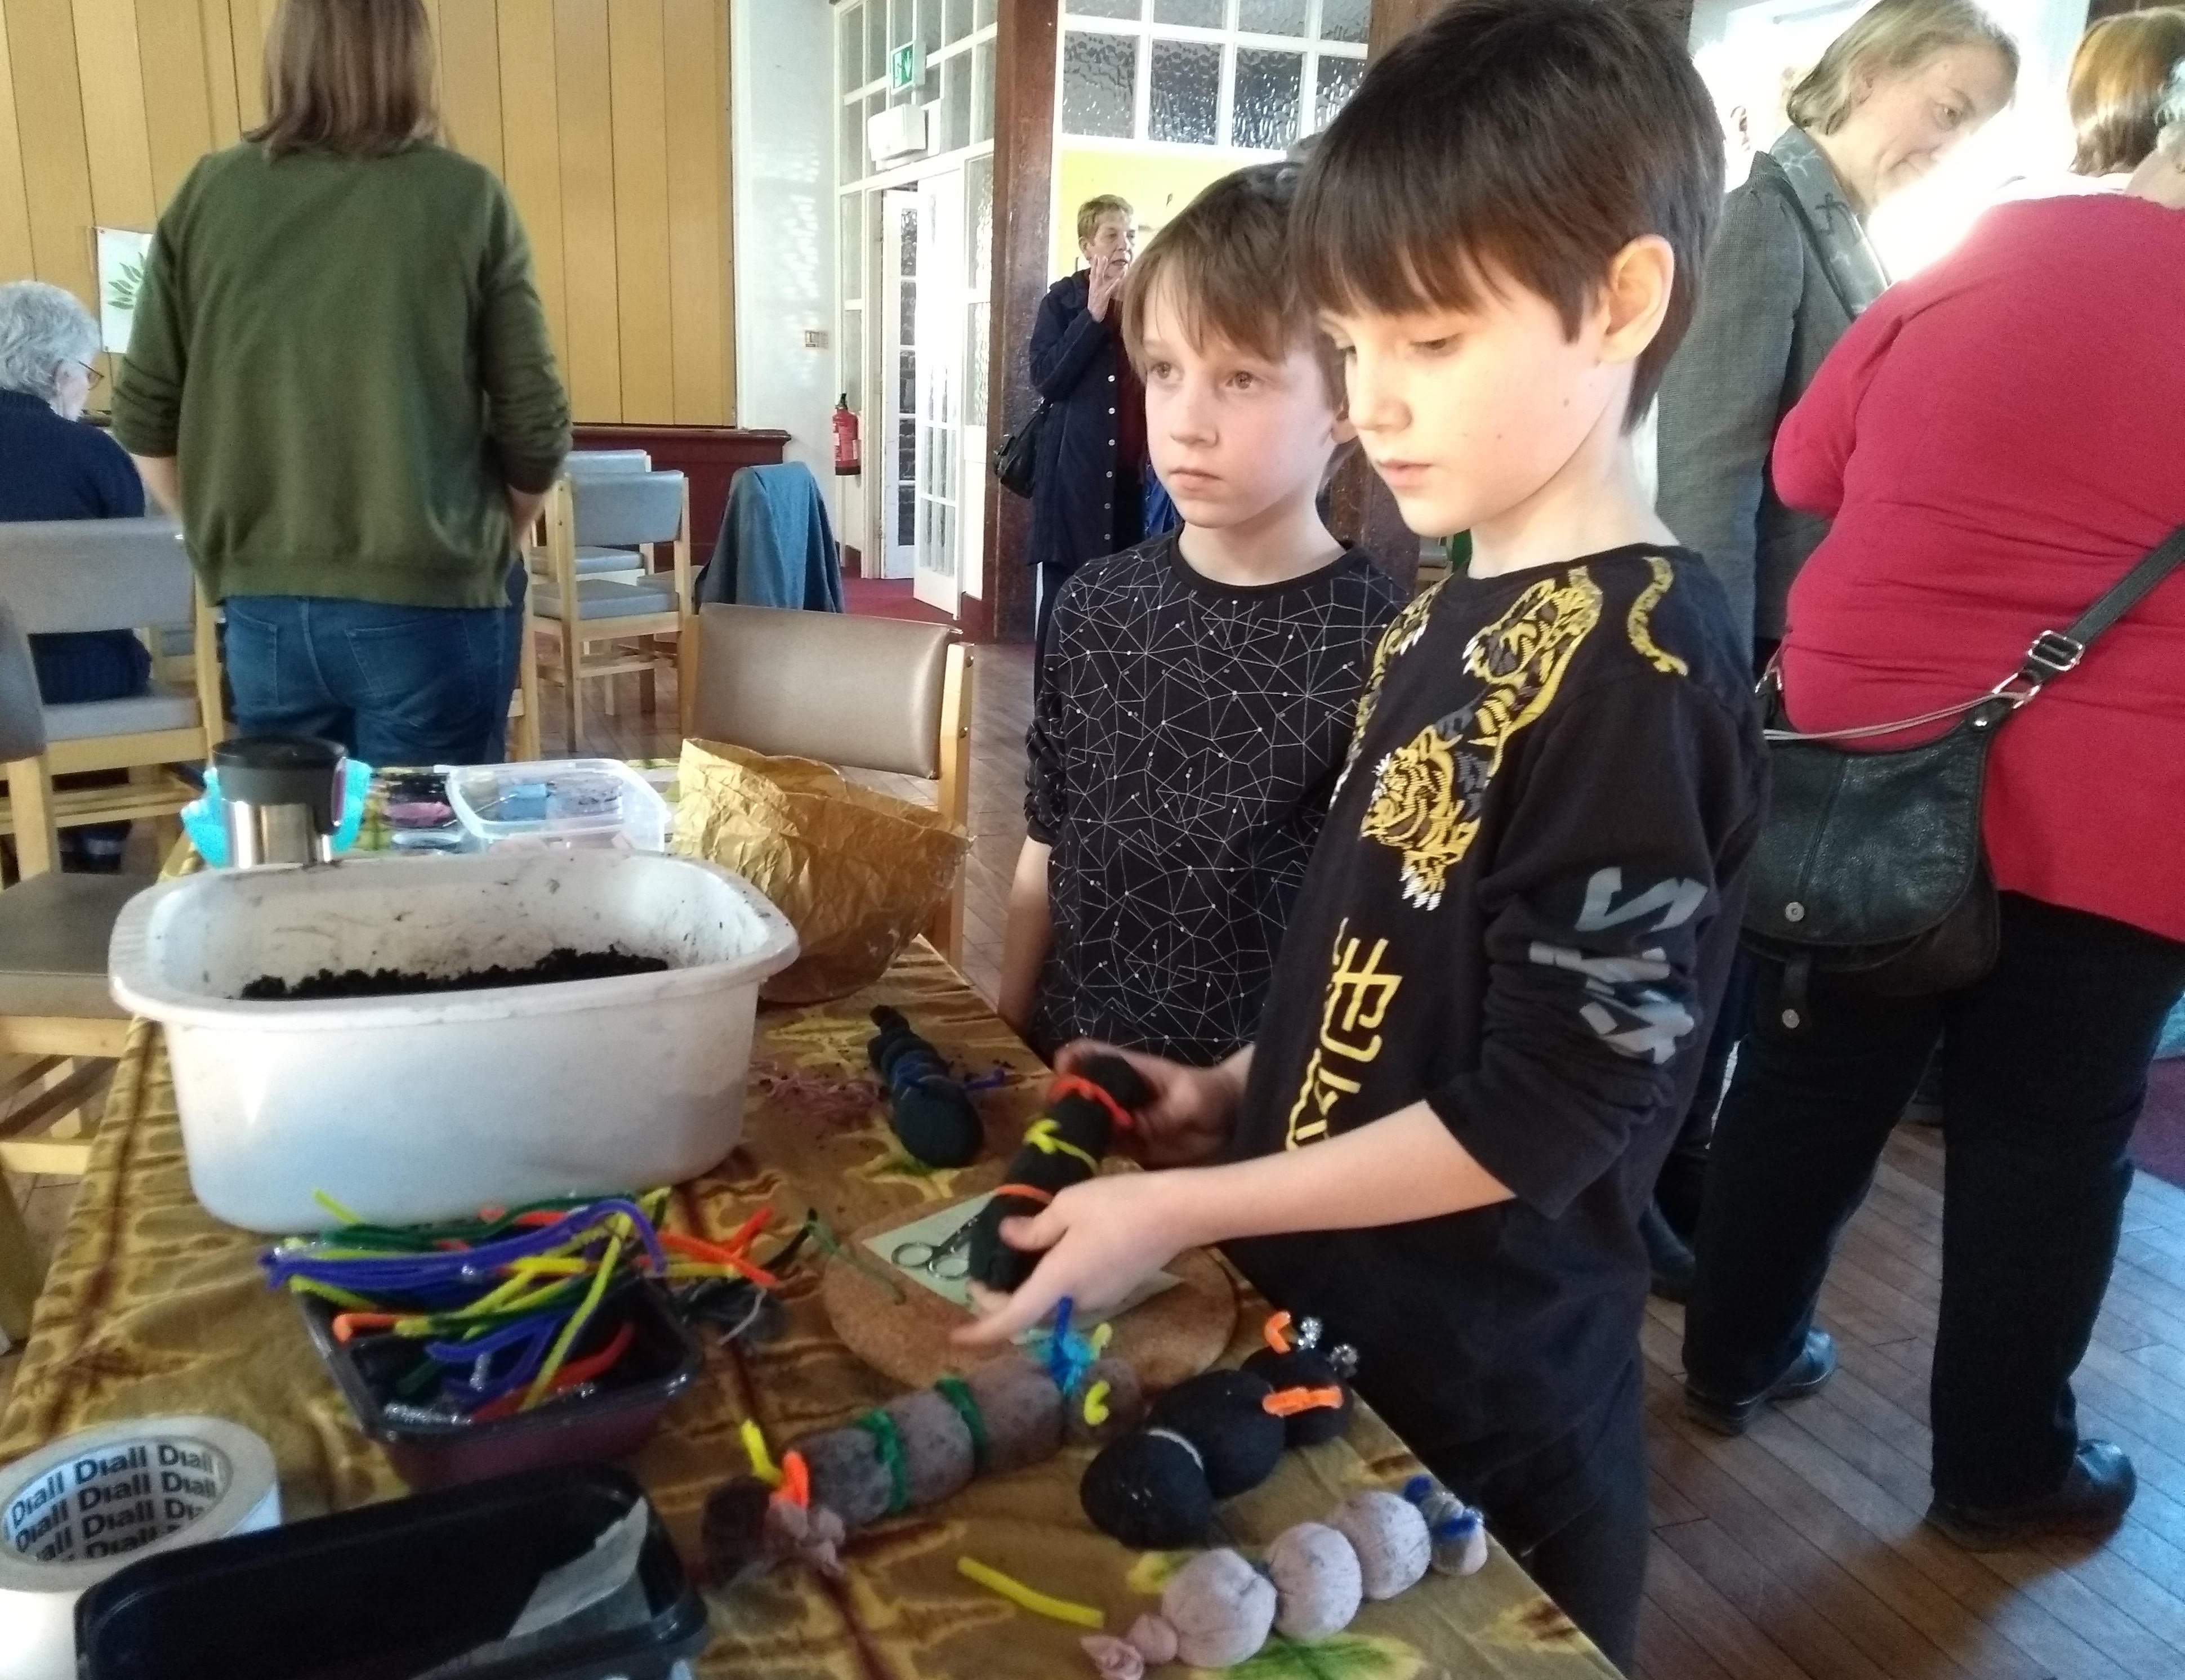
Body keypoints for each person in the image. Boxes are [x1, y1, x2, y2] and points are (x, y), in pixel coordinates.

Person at [963, 4, 1762, 1665]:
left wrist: (1185, 1206)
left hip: (1485, 1387)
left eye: (1434, 342)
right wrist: (1241, 1089)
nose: (1378, 402)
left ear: (1618, 302)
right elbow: (1385, 966)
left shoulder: (1634, 668)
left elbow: (1551, 1107)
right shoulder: (1445, 599)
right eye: (1356, 341)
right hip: (1338, 1309)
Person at [1682, 71, 2185, 1556]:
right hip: (2124, 799)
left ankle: (1734, 1355)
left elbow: (1802, 465)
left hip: (1864, 746)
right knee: (2049, 1139)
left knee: (1806, 1081)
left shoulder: (1986, 257)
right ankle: (2000, 1471)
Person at [1646, 0, 2016, 1285]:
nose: (1950, 141)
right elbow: (1710, 471)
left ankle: (1685, 1171)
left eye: (1973, 125)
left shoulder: (1842, 228)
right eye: (1948, 107)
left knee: (1749, 941)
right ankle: (1660, 1180)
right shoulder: (1766, 216)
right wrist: (1729, 669)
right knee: (1719, 938)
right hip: (1756, 649)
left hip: (1799, 656)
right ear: (1868, 72)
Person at [996, 164, 1402, 1068]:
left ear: (1345, 398)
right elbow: (1042, 853)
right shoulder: (1096, 608)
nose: (1185, 422)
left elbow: (1370, 955)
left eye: (1243, 378)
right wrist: (1004, 1044)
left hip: (1249, 1134)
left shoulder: (1384, 647)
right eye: (1168, 371)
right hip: (1067, 1083)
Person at [112, 0, 569, 768]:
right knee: (432, 864)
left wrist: (230, 541)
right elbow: (536, 426)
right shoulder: (464, 198)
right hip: (432, 600)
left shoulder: (208, 194)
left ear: (286, 54)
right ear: (413, 57)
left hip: (264, 613)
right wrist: (499, 537)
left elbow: (143, 416)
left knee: (296, 867)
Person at [0, 281, 151, 872]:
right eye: (88, 375)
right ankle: (96, 839)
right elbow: (130, 578)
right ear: (61, 373)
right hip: (81, 678)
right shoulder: (94, 452)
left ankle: (20, 847)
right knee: (108, 653)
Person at [1026, 195, 1143, 668]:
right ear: (1086, 245)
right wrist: (1091, 317)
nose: (1124, 246)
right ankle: (1050, 720)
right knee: (1063, 603)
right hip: (1074, 481)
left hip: (1134, 484)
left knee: (1125, 606)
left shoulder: (1146, 301)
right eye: (1112, 235)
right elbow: (1047, 378)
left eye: (1131, 235)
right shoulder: (1063, 300)